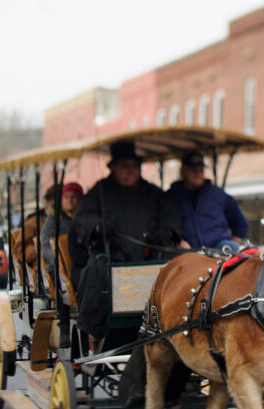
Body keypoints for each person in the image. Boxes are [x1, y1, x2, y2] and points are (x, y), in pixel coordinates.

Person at [68, 140, 184, 342]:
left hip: (149, 255)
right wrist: (97, 226)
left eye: (134, 166)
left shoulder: (153, 193)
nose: (130, 171)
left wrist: (167, 231)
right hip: (112, 255)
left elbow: (171, 215)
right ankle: (94, 331)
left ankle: (177, 324)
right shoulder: (99, 192)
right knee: (97, 272)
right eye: (124, 167)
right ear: (113, 168)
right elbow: (83, 216)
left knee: (179, 267)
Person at [169, 150, 249, 253]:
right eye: (193, 170)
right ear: (183, 171)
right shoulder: (171, 197)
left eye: (201, 170)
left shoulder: (218, 194)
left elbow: (241, 223)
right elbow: (166, 228)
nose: (198, 173)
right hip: (189, 251)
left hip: (219, 246)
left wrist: (233, 246)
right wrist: (178, 242)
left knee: (238, 251)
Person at [40, 181, 83, 271]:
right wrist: (60, 260)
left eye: (74, 196)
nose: (70, 200)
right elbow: (46, 247)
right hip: (58, 269)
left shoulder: (85, 218)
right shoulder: (53, 219)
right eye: (66, 197)